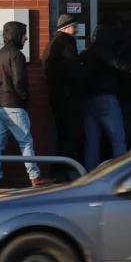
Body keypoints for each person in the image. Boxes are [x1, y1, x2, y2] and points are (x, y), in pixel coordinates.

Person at [0, 21, 52, 189]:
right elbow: (19, 82)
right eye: (24, 34)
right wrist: (25, 98)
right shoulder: (17, 55)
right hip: (14, 106)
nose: (26, 38)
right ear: (17, 35)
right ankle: (35, 177)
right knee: (26, 142)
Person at [81, 23, 131, 171]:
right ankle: (121, 172)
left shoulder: (86, 52)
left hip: (88, 100)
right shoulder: (104, 50)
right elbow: (117, 64)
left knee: (92, 141)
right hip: (105, 98)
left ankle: (89, 174)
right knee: (118, 139)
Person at [44, 14, 85, 182]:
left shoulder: (52, 43)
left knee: (61, 134)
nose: (77, 30)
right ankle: (66, 171)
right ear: (66, 27)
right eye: (75, 27)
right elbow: (74, 71)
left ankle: (58, 170)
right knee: (70, 135)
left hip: (56, 96)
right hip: (67, 97)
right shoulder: (67, 43)